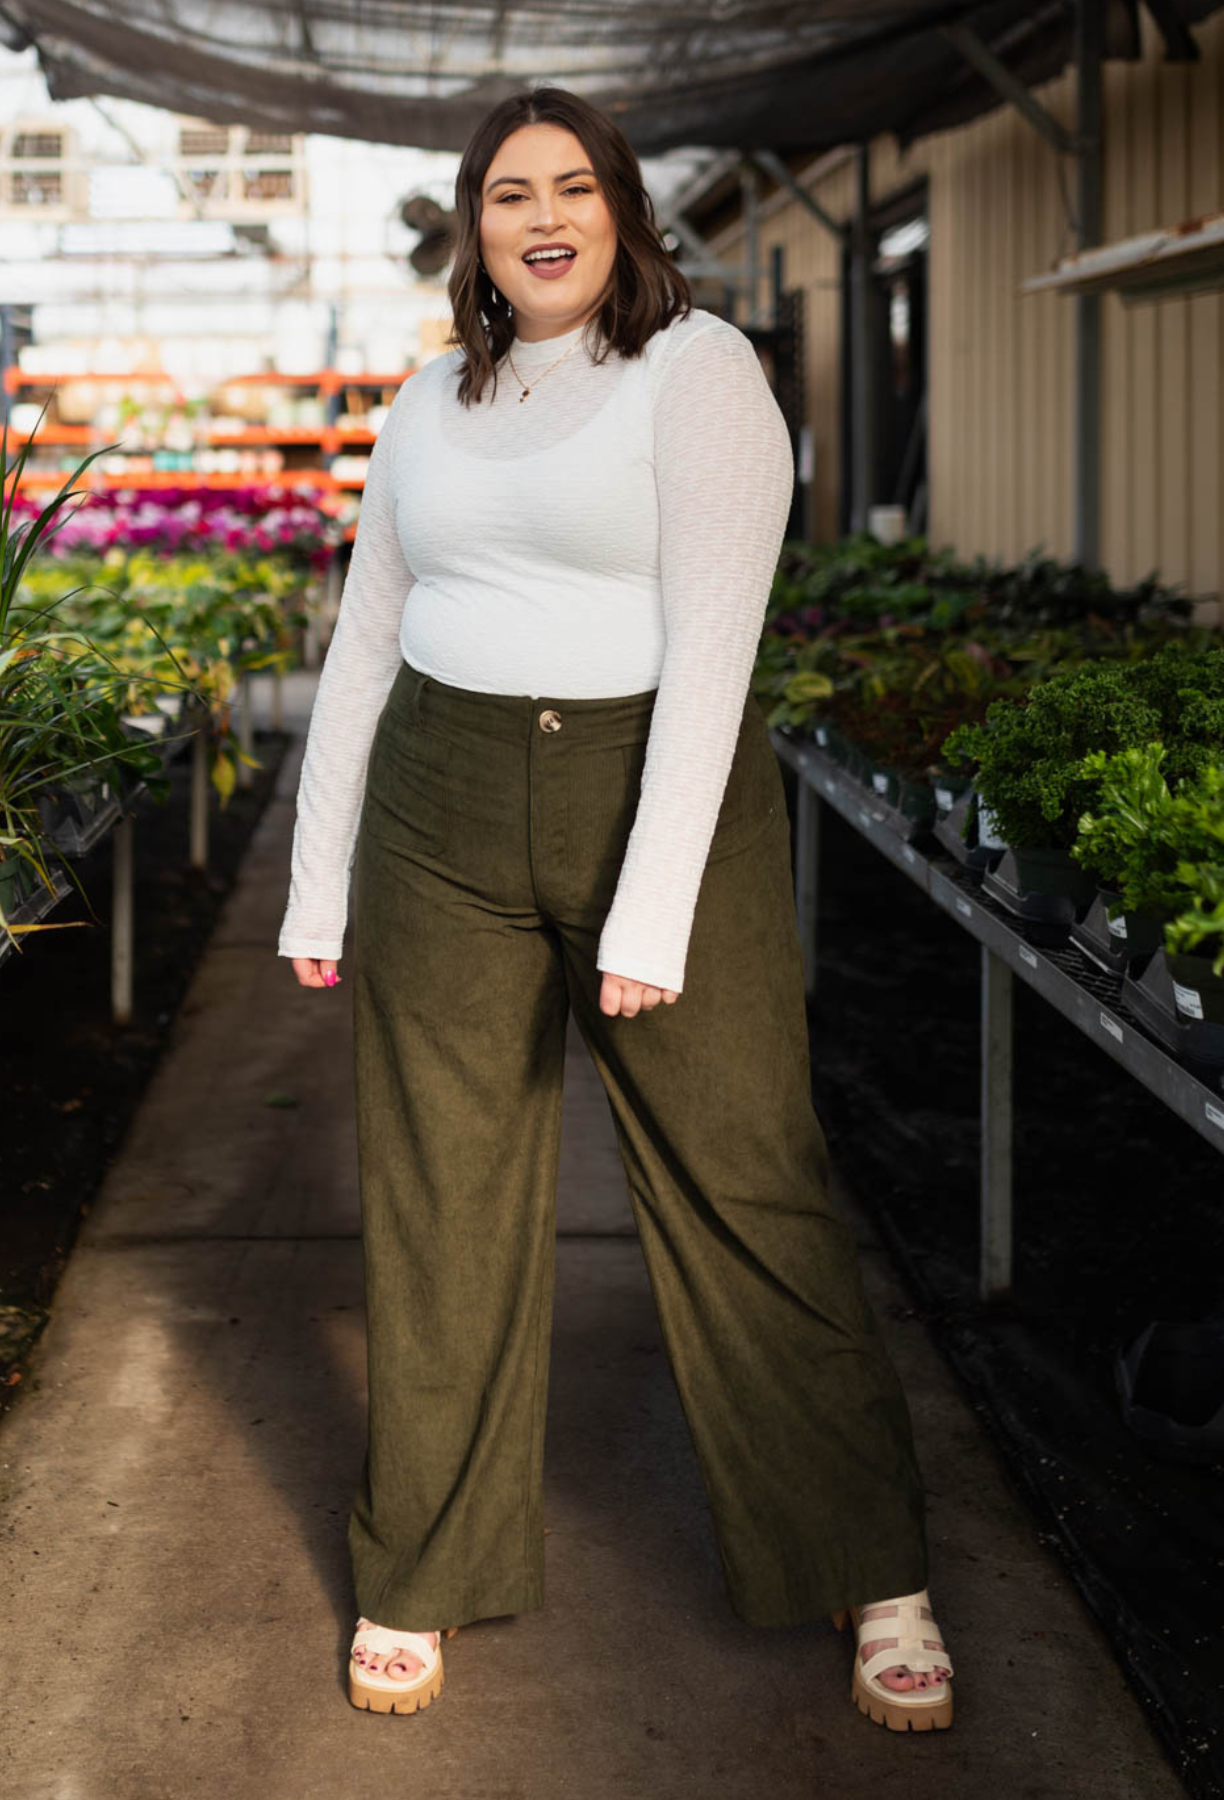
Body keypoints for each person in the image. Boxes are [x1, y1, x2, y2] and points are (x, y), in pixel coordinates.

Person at [278, 84, 954, 1733]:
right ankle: (419, 1570)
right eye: (508, 193)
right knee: (441, 1198)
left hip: (658, 788)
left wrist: (647, 910)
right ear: (471, 227)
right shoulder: (429, 398)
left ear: (624, 210)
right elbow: (367, 641)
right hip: (439, 799)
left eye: (572, 186)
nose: (542, 215)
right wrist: (321, 871)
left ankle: (872, 1567)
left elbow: (717, 643)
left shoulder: (697, 370)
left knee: (745, 1176)